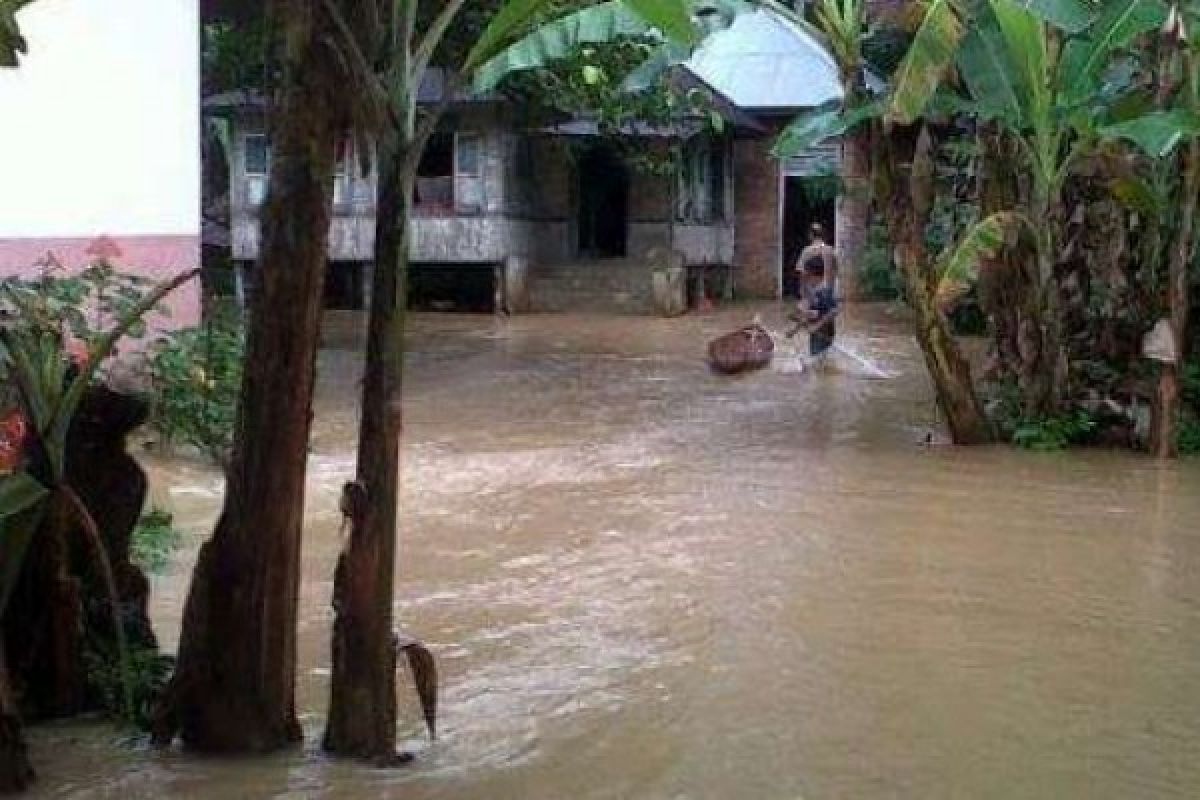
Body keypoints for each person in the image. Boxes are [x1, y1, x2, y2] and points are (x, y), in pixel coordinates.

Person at [787, 223, 839, 364]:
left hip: (817, 297)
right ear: (823, 235)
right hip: (828, 295)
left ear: (810, 235)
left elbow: (803, 277)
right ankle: (823, 365)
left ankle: (819, 367)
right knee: (825, 341)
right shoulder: (832, 251)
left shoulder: (807, 252)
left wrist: (803, 300)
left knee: (817, 340)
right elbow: (835, 274)